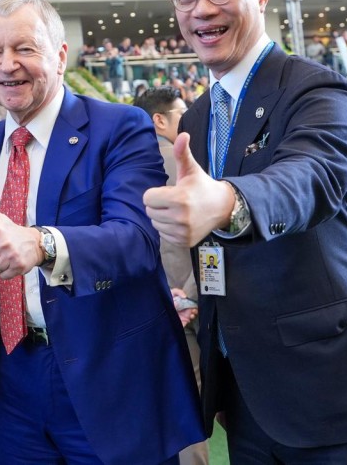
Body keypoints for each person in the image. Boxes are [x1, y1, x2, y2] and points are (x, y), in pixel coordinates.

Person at [143, 0, 347, 462]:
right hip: (245, 400)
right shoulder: (199, 117)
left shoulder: (315, 87)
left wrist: (225, 202)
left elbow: (308, 178)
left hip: (330, 389)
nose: (202, 9)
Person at [0, 0, 203, 464]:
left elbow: (137, 239)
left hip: (107, 380)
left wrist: (43, 243)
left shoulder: (119, 127)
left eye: (25, 49)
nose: (7, 65)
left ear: (61, 55)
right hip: (14, 379)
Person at [133, 86, 209, 465]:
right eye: (182, 111)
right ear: (159, 120)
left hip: (165, 302)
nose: (190, 118)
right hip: (194, 301)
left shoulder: (122, 166)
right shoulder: (184, 163)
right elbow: (215, 234)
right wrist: (190, 294)